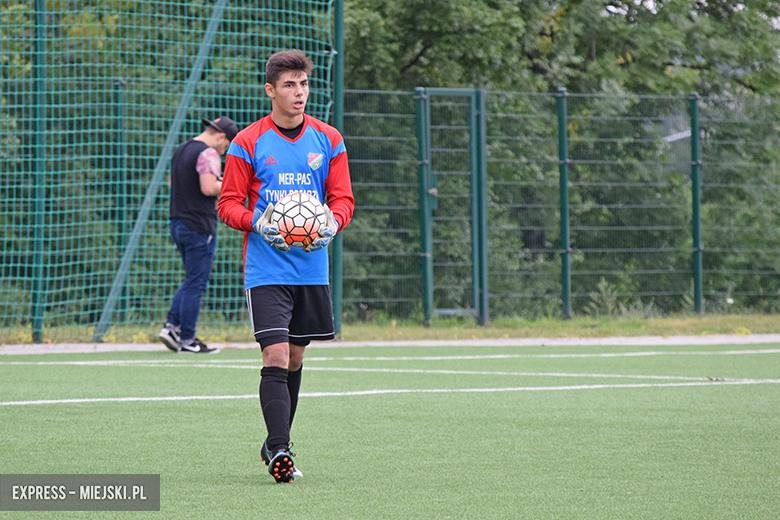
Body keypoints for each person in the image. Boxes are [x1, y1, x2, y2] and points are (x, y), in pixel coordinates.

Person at [217, 50, 354, 483]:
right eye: (290, 85)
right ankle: (280, 449)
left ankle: (275, 440)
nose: (299, 93)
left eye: (304, 84)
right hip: (266, 267)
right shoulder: (248, 141)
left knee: (294, 357)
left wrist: (332, 222)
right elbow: (227, 204)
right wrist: (259, 222)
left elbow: (343, 199)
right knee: (274, 353)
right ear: (270, 90)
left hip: (311, 267)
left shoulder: (328, 139)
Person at [158, 116, 239, 354]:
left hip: (178, 222)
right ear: (221, 137)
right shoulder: (208, 153)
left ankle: (171, 327)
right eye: (227, 145)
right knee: (197, 282)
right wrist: (233, 184)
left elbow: (173, 185)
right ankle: (188, 339)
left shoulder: (181, 149)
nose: (224, 152)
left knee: (190, 279)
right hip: (199, 225)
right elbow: (208, 187)